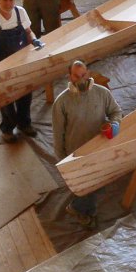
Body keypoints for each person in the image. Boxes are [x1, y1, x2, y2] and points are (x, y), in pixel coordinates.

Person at [52, 60, 122, 229]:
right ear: (70, 77)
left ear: (88, 73)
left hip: (99, 147)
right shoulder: (62, 102)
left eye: (84, 75)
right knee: (85, 185)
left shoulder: (102, 93)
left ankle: (79, 207)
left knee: (97, 184)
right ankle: (80, 210)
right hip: (75, 151)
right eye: (77, 76)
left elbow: (116, 112)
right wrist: (62, 159)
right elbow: (58, 133)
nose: (81, 80)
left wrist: (113, 125)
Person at [0, 0, 41, 143]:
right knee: (6, 99)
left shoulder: (20, 12)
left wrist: (34, 40)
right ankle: (7, 129)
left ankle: (24, 123)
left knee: (25, 93)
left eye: (11, 0)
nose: (8, 3)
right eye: (5, 0)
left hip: (22, 61)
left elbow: (28, 32)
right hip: (2, 64)